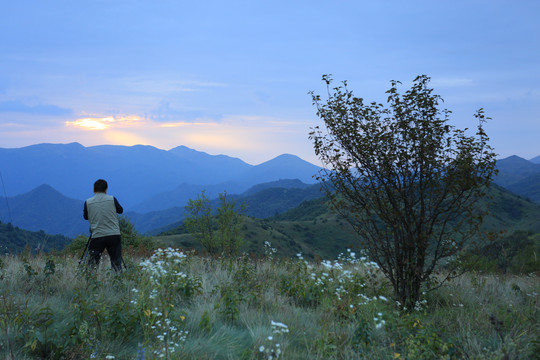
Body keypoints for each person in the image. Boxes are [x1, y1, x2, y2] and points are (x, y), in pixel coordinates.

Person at [83, 179, 124, 271]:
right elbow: (120, 210)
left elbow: (86, 217)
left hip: (97, 235)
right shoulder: (112, 199)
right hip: (113, 234)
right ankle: (118, 281)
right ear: (106, 190)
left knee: (93, 263)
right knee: (116, 262)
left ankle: (90, 281)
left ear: (93, 190)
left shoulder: (88, 202)